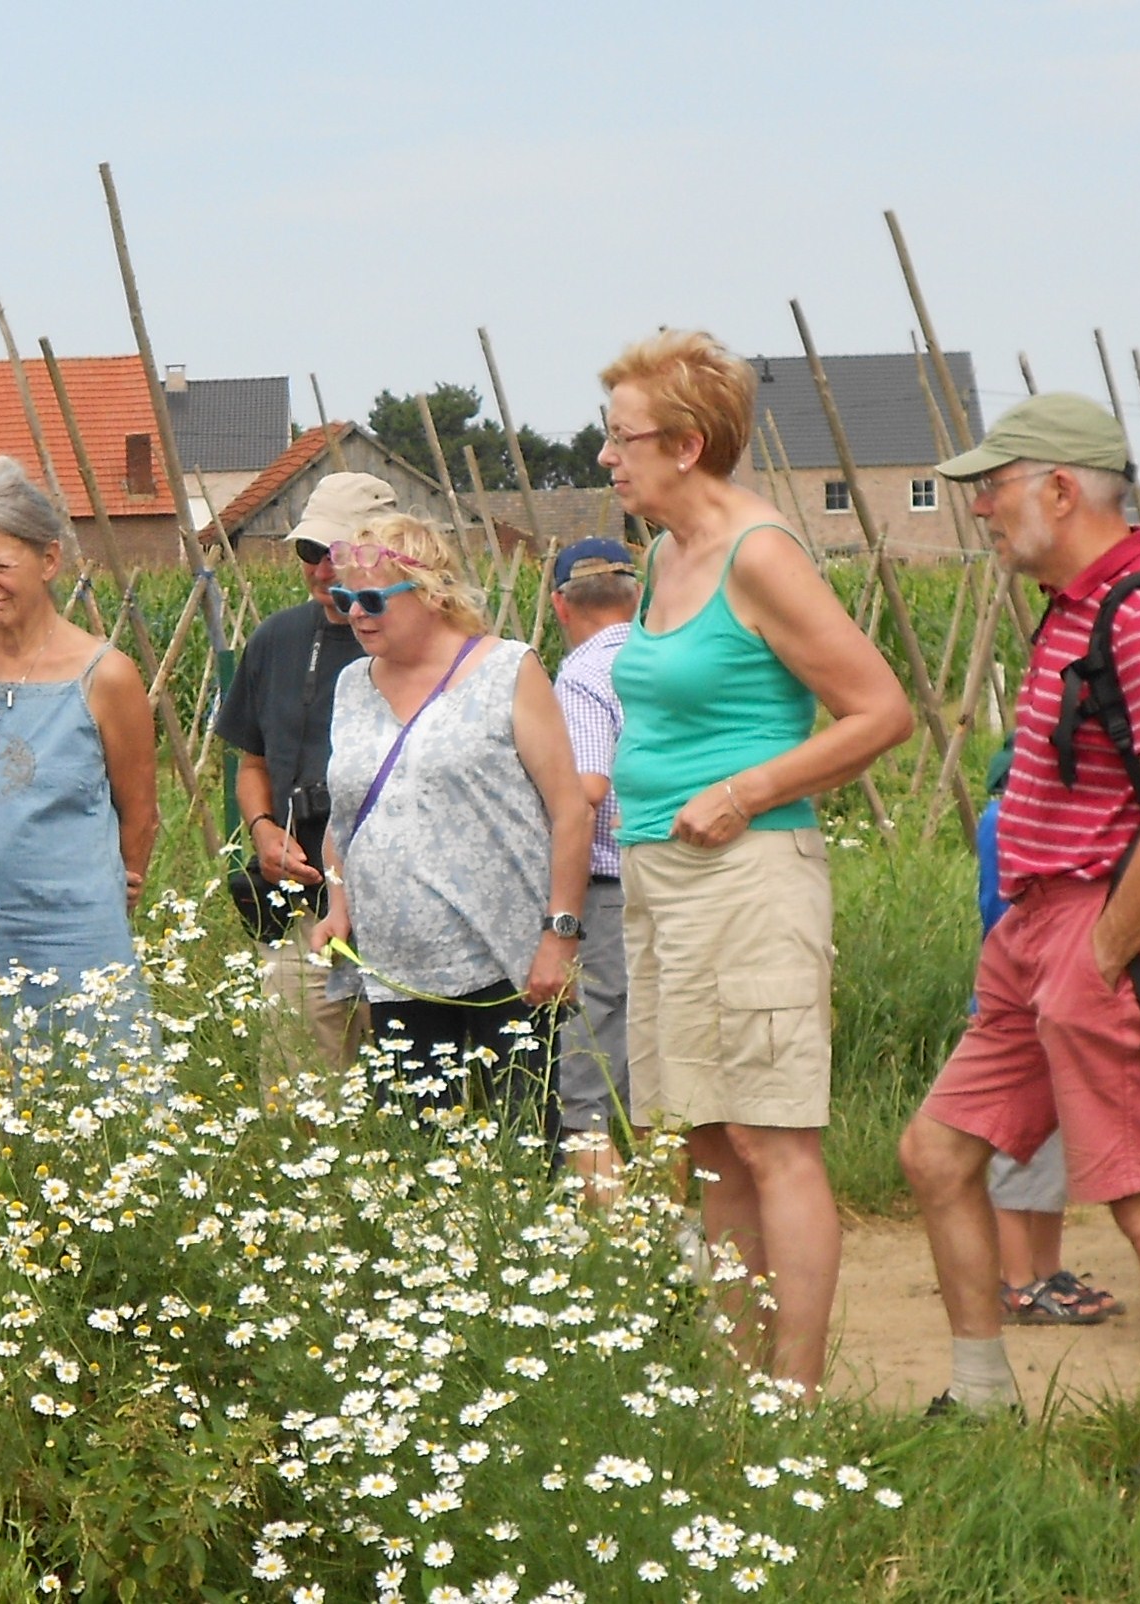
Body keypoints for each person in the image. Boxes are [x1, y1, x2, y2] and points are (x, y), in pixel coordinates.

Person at [898, 392, 1140, 1503]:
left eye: (991, 485)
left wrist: (1100, 953)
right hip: (1030, 930)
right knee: (936, 1152)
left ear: (1057, 488)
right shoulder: (1070, 606)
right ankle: (980, 1394)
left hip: (1098, 932)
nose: (978, 506)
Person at [596, 330, 913, 1398]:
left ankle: (795, 1394)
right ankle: (736, 1388)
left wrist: (745, 788)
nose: (605, 457)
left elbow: (880, 711)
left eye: (619, 437)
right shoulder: (659, 554)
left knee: (774, 1137)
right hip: (660, 878)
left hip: (747, 877)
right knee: (708, 1143)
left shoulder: (759, 551)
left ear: (685, 444)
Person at [313, 513, 594, 1141]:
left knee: (525, 1147)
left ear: (431, 593)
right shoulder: (352, 685)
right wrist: (337, 905)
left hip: (506, 963)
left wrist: (560, 933)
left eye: (370, 599)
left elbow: (569, 808)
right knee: (417, 1156)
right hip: (394, 970)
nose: (355, 614)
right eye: (343, 599)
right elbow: (346, 811)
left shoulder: (506, 670)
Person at [0, 457, 160, 1046]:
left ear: (49, 560)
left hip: (76, 933)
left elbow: (139, 810)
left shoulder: (107, 676)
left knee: (94, 1097)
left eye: (0, 565)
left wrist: (119, 879)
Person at [214, 473, 385, 1070]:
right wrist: (262, 827)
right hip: (303, 908)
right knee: (299, 1091)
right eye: (310, 553)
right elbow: (252, 760)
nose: (321, 571)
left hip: (401, 909)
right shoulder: (277, 640)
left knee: (416, 1100)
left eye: (337, 554)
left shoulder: (423, 644)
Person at [975, 740, 1121, 1326]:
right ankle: (1017, 1281)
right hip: (1024, 994)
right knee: (1018, 1140)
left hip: (1054, 991)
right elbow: (1008, 914)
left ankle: (1046, 1271)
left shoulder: (1019, 816)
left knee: (1050, 1141)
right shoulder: (1006, 819)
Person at [545, 537, 640, 1198]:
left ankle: (611, 1247)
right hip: (683, 875)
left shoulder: (581, 675)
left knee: (587, 1083)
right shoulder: (666, 657)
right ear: (635, 595)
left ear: (559, 606)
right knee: (664, 1078)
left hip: (607, 887)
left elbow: (587, 788)